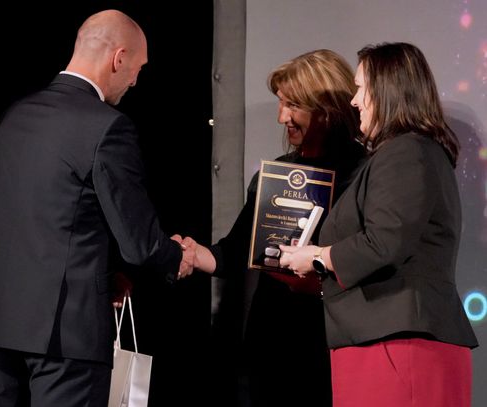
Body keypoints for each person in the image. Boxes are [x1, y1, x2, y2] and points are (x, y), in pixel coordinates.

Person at [0, 10, 194, 407]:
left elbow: (30, 215)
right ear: (119, 58)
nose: (135, 81)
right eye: (138, 68)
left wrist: (103, 274)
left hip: (2, 325)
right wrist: (178, 256)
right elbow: (139, 244)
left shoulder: (13, 119)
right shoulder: (108, 127)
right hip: (66, 334)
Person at [279, 42, 479, 407]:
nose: (354, 101)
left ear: (388, 91)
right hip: (387, 339)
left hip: (399, 344)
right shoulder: (411, 151)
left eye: (361, 89)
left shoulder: (406, 151)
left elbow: (385, 241)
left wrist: (318, 257)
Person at [183, 49, 366, 407]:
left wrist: (319, 284)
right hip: (272, 340)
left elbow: (373, 258)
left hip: (333, 340)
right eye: (281, 103)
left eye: (293, 105)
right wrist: (192, 254)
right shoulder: (275, 175)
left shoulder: (365, 174)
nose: (282, 117)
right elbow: (236, 252)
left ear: (327, 109)